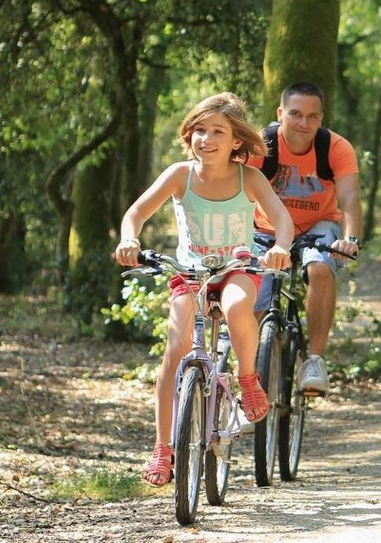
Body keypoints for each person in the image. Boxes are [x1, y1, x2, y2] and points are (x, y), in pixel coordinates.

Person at [114, 92, 294, 487]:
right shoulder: (181, 174)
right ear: (188, 134)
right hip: (190, 274)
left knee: (235, 307)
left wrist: (280, 246)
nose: (206, 139)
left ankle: (247, 377)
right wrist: (130, 239)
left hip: (237, 269)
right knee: (174, 351)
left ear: (236, 141)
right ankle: (163, 448)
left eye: (218, 131)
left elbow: (281, 218)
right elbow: (136, 213)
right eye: (199, 130)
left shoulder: (250, 177)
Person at [247, 82, 363, 394]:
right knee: (254, 301)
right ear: (280, 113)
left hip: (318, 225)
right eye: (296, 114)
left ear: (321, 118)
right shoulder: (262, 145)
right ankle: (252, 379)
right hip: (266, 229)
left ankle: (315, 360)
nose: (303, 123)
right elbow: (239, 193)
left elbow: (350, 198)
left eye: (312, 117)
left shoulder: (335, 148)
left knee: (320, 268)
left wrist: (350, 237)